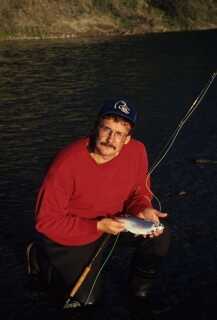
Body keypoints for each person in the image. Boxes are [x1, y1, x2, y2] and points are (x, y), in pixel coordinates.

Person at [32, 98, 170, 316]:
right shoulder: (66, 164)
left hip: (116, 222)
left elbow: (139, 192)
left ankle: (139, 296)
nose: (110, 139)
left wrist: (143, 209)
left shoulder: (137, 151)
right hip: (77, 231)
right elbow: (46, 221)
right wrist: (97, 227)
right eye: (106, 130)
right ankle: (39, 257)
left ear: (127, 139)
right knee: (87, 302)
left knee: (158, 235)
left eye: (119, 134)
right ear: (96, 127)